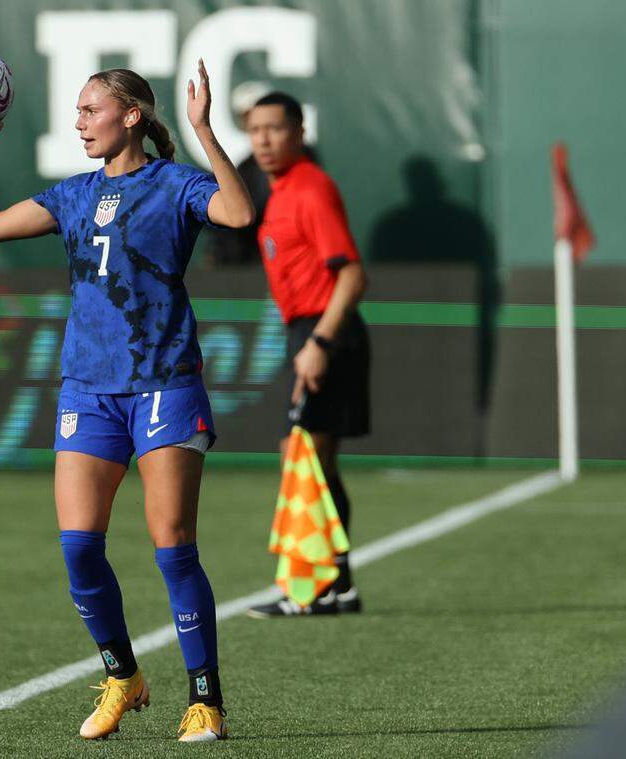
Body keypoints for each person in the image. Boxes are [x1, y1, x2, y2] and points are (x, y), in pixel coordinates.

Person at [0, 62, 254, 741]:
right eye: (78, 111)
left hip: (165, 381)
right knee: (80, 548)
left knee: (172, 546)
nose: (79, 122)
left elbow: (238, 212)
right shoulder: (76, 194)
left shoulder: (174, 184)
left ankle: (206, 698)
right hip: (89, 387)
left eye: (90, 110)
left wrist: (203, 129)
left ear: (131, 115)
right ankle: (123, 676)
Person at [241, 92, 371, 619]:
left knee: (307, 459)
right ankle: (338, 585)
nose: (265, 140)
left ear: (299, 132)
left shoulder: (312, 188)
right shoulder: (277, 193)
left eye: (275, 128)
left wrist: (320, 343)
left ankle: (315, 589)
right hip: (306, 330)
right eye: (255, 130)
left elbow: (353, 274)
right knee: (313, 462)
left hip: (326, 333)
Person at [199, 81, 273, 267]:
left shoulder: (298, 160)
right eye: (247, 115)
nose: (253, 120)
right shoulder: (246, 165)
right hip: (240, 263)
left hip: (263, 260)